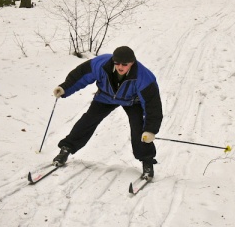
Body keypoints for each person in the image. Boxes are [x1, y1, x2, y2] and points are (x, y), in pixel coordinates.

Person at [52, 46, 163, 180]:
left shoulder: (143, 76)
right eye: (117, 63)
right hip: (105, 97)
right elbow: (80, 75)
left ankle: (147, 162)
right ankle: (66, 149)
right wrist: (64, 88)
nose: (120, 67)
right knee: (88, 120)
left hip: (133, 101)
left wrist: (150, 130)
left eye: (124, 64)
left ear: (132, 63)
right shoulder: (101, 64)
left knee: (139, 129)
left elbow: (153, 106)